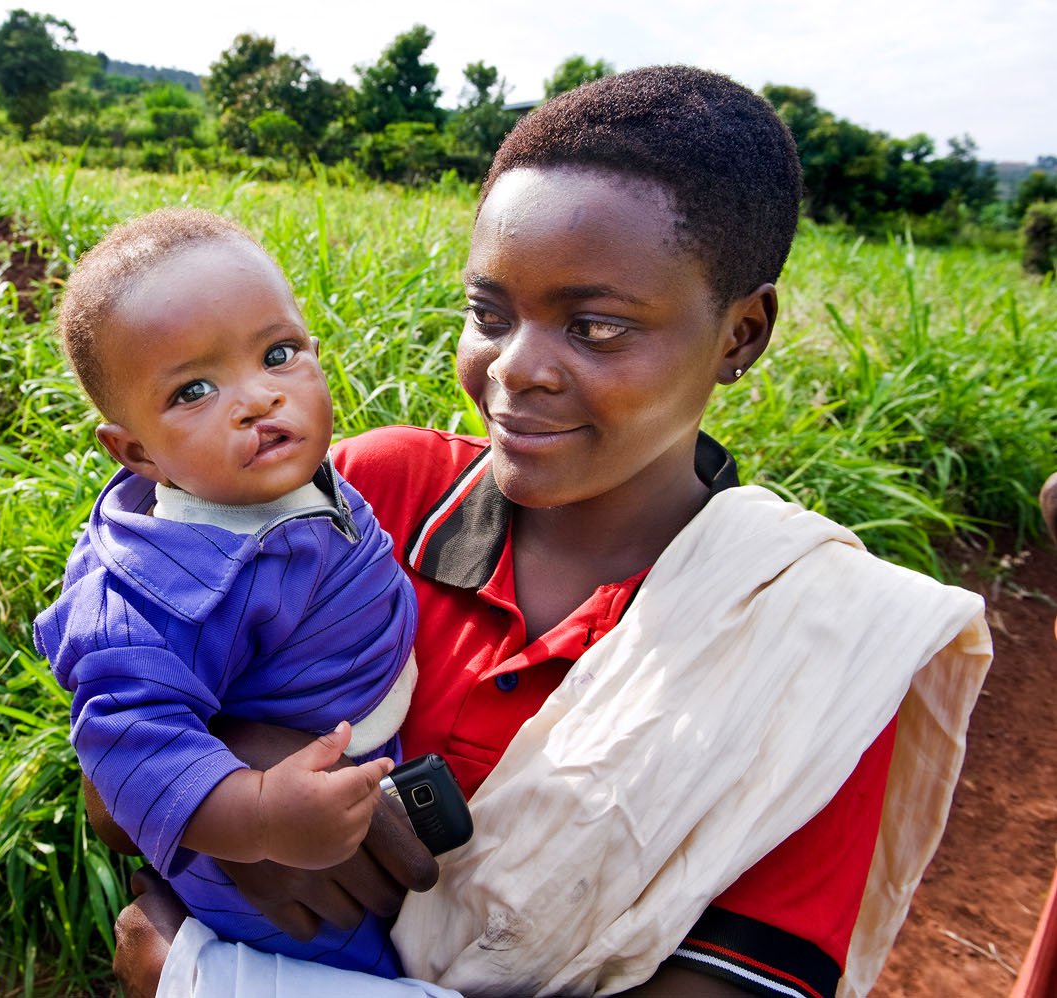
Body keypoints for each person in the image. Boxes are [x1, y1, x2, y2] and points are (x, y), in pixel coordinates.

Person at [104, 66, 992, 998]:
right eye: (489, 313)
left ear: (740, 334)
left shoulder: (811, 637)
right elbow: (110, 777)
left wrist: (203, 978)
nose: (514, 368)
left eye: (596, 327)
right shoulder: (363, 500)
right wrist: (242, 781)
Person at [32, 208, 421, 977]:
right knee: (350, 970)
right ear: (135, 451)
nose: (257, 399)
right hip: (271, 869)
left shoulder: (290, 481)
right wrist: (262, 816)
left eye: (278, 355)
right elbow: (126, 744)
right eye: (194, 390)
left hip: (356, 779)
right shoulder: (154, 591)